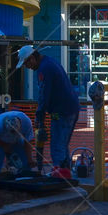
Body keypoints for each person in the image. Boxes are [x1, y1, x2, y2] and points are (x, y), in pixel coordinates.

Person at [17, 45, 80, 175]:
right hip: (69, 108)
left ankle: (60, 173)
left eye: (26, 63)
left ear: (32, 58)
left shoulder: (44, 69)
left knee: (57, 145)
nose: (27, 67)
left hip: (62, 111)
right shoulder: (48, 63)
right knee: (62, 144)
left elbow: (44, 94)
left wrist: (39, 115)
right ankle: (65, 171)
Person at [0, 111, 33, 207]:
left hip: (17, 141)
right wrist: (3, 145)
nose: (12, 133)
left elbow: (28, 141)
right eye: (11, 132)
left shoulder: (26, 123)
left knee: (24, 161)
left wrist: (30, 158)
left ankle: (26, 184)